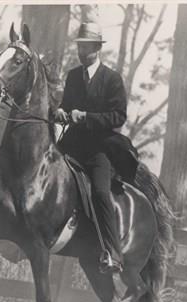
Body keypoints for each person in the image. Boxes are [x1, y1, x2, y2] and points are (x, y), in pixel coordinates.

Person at [55, 22, 139, 275]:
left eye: (86, 47)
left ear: (97, 49)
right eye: (80, 47)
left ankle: (113, 253)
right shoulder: (72, 76)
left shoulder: (111, 79)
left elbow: (118, 117)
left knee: (101, 193)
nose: (82, 52)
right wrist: (61, 111)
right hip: (70, 145)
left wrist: (87, 117)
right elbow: (66, 106)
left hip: (98, 150)